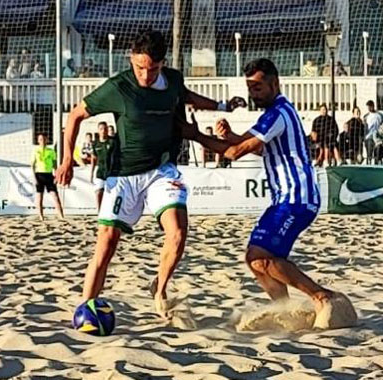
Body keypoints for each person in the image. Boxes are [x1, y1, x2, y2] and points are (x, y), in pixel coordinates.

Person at [54, 30, 247, 317]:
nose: (145, 75)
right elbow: (75, 115)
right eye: (139, 67)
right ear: (131, 60)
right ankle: (85, 308)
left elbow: (188, 96)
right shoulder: (118, 87)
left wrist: (221, 106)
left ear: (162, 63)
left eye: (152, 68)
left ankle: (159, 289)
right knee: (106, 244)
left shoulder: (173, 81)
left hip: (161, 170)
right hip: (124, 175)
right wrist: (67, 159)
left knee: (178, 232)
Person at [181, 58, 351, 327]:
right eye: (250, 87)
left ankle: (322, 297)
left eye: (258, 87)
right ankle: (284, 309)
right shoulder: (275, 113)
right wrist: (229, 134)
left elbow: (236, 152)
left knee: (261, 256)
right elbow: (248, 144)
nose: (253, 93)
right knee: (257, 260)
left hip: (296, 197)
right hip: (285, 199)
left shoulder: (277, 114)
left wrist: (195, 135)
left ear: (275, 83)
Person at [32, 134, 64, 220]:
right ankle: (41, 216)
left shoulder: (51, 151)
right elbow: (32, 165)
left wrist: (57, 176)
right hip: (39, 174)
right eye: (40, 139)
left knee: (55, 196)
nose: (42, 141)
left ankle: (61, 215)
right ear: (38, 141)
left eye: (44, 139)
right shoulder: (36, 151)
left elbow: (54, 165)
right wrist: (34, 177)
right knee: (40, 197)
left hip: (49, 175)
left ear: (46, 140)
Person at [91, 122, 116, 211]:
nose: (103, 131)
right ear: (98, 131)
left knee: (112, 193)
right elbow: (94, 158)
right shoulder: (95, 144)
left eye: (105, 129)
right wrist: (91, 172)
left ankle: (111, 211)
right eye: (101, 129)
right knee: (98, 191)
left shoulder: (113, 142)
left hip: (112, 172)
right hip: (100, 171)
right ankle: (99, 211)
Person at [363, 100, 383, 164]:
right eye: (368, 107)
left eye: (370, 106)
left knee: (378, 148)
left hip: (378, 135)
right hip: (369, 136)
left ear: (373, 106)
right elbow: (365, 127)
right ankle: (369, 161)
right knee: (369, 148)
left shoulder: (380, 115)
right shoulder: (366, 116)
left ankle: (377, 161)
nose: (369, 108)